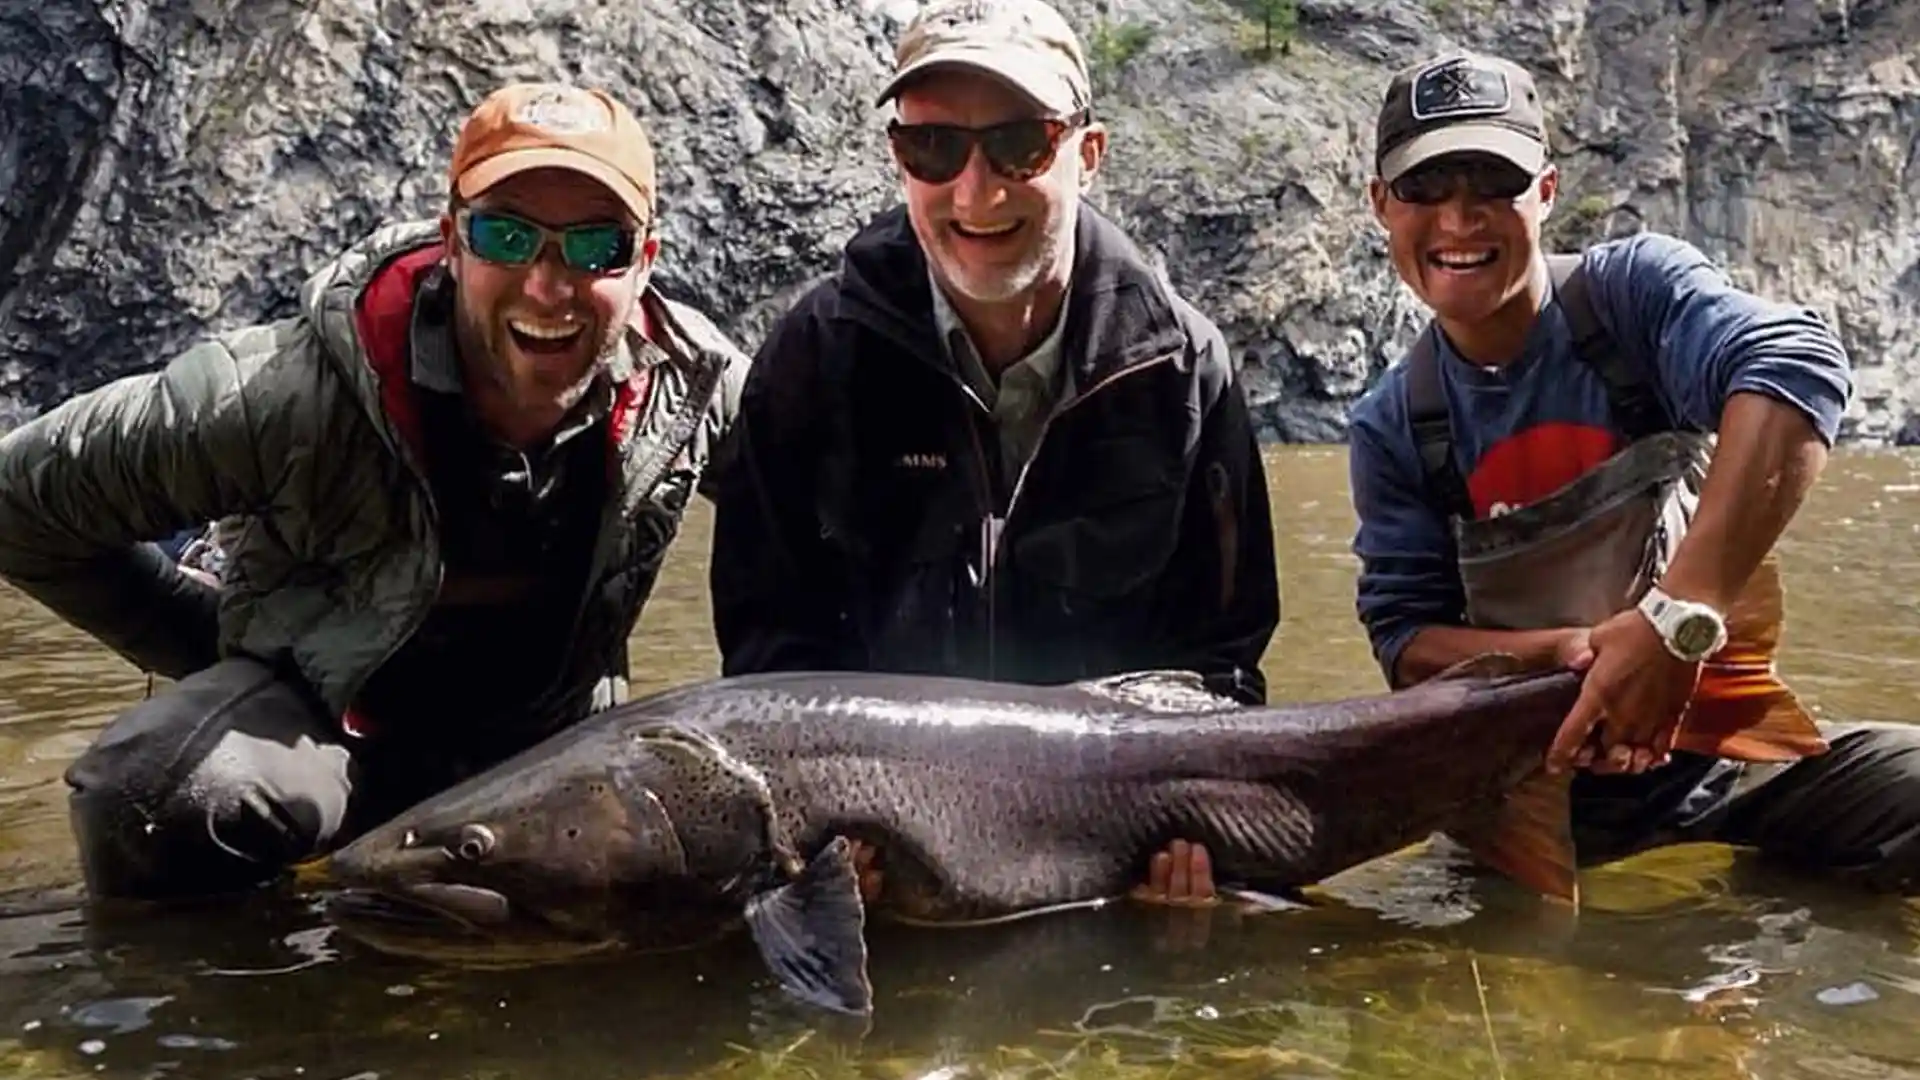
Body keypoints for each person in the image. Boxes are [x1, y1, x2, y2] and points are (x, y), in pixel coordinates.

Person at [0, 81, 750, 901]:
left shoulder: (693, 388)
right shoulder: (275, 396)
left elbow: (855, 492)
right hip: (327, 728)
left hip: (550, 757)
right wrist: (201, 639)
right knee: (155, 797)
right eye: (506, 235)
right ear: (451, 241)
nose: (547, 285)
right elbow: (18, 506)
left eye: (595, 247)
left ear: (645, 261)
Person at [706, 0, 1278, 907]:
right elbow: (769, 657)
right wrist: (809, 836)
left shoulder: (1184, 367)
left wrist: (1201, 837)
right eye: (933, 149)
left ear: (1087, 155)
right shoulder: (811, 359)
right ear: (898, 157)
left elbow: (1222, 656)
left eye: (1020, 144)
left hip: (1121, 842)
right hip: (879, 850)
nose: (975, 190)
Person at [1341, 49, 1920, 890]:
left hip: (1714, 749)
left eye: (1493, 185)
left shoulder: (1632, 297)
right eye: (1426, 191)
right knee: (1487, 975)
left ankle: (1763, 899)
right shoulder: (1394, 422)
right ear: (1381, 207)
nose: (1459, 221)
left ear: (1545, 192)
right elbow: (1405, 642)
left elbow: (1796, 363)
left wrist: (1671, 627)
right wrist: (1591, 660)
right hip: (1528, 782)